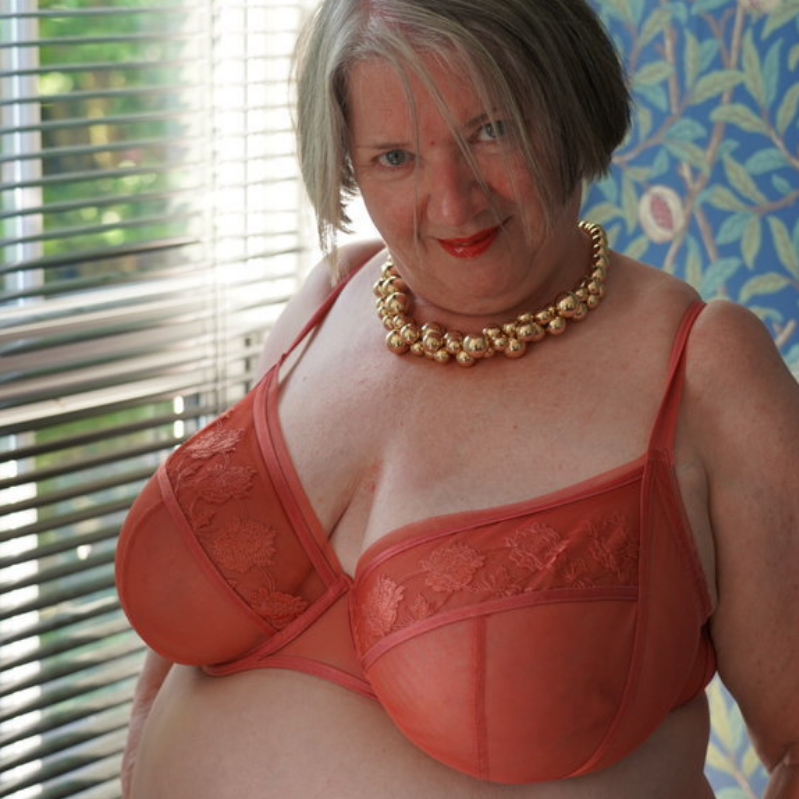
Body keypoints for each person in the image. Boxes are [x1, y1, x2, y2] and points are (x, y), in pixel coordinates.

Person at [115, 0, 799, 796]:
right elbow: (196, 629)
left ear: (571, 106)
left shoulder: (704, 364)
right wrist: (138, 755)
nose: (452, 201)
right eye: (395, 156)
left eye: (490, 131)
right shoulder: (329, 295)